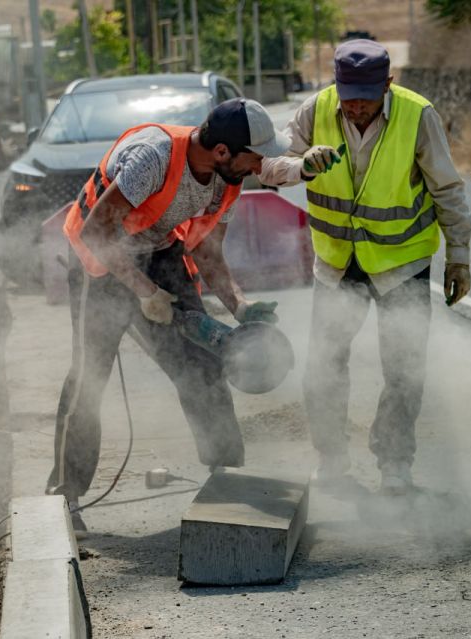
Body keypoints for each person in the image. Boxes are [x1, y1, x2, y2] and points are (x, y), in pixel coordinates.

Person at [50, 98, 289, 531]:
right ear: (222, 152)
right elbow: (97, 231)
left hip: (160, 252)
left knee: (202, 364)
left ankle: (226, 476)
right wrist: (145, 293)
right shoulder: (153, 159)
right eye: (254, 156)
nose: (260, 166)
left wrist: (240, 304)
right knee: (90, 374)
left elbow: (209, 248)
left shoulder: (225, 179)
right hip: (98, 259)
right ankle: (64, 495)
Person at [259, 40, 471, 496]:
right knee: (325, 364)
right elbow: (267, 168)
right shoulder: (314, 111)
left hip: (401, 263)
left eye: (365, 97)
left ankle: (395, 468)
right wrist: (302, 166)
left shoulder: (418, 116)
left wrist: (459, 257)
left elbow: (448, 189)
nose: (354, 106)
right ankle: (332, 461)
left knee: (403, 369)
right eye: (347, 94)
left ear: (388, 85)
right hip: (337, 265)